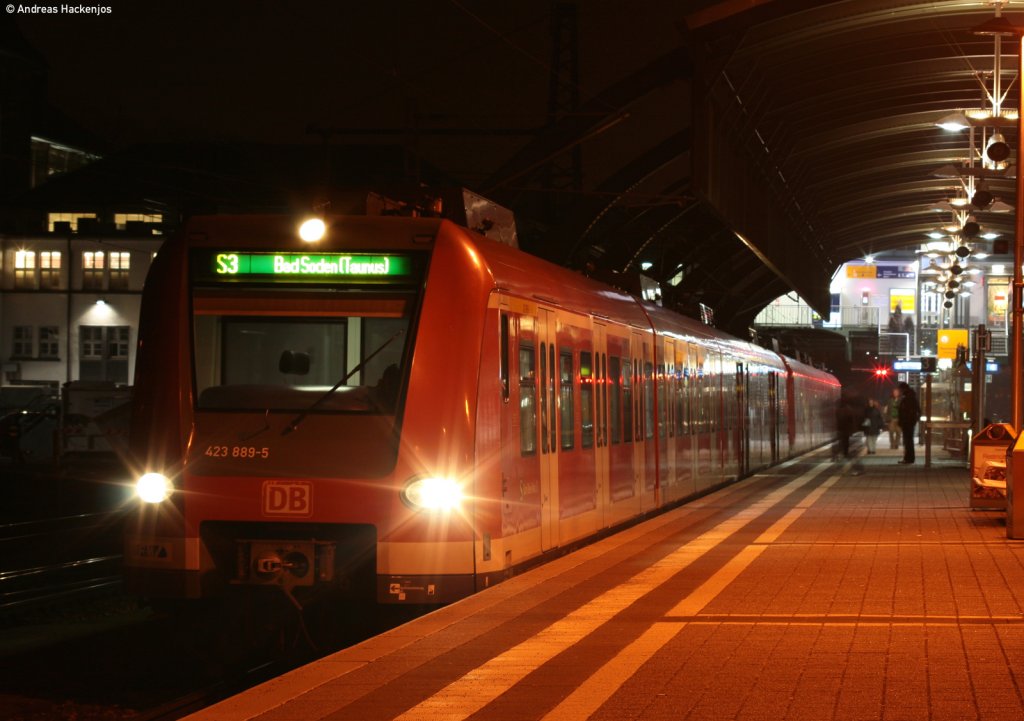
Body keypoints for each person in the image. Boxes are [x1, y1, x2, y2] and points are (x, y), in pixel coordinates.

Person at [897, 381, 921, 464]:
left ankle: (908, 459)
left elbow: (905, 411)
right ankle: (908, 458)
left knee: (908, 441)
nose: (899, 391)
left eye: (900, 389)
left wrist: (904, 420)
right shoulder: (911, 396)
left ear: (903, 389)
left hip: (907, 422)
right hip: (909, 422)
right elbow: (918, 410)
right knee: (908, 441)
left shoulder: (908, 397)